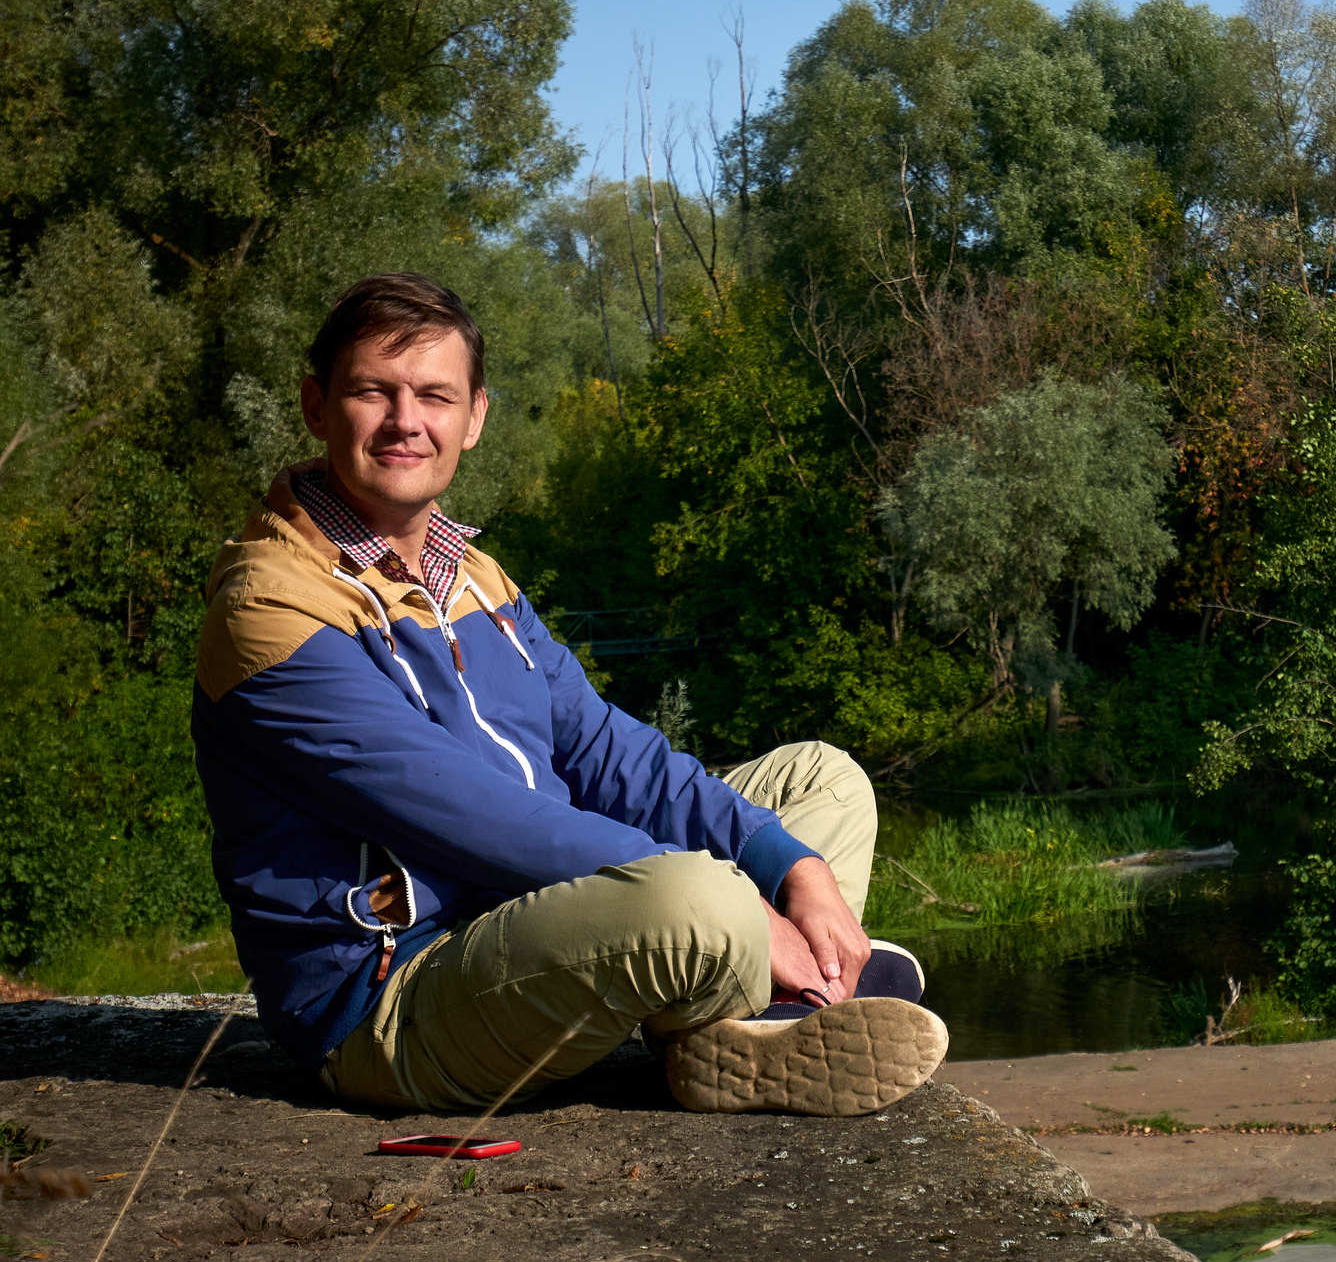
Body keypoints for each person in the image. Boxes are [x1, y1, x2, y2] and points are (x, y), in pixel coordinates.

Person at [190, 273, 946, 1116]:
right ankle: (752, 996)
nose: (408, 422)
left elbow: (605, 752)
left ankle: (742, 1028)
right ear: (316, 405)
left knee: (820, 781)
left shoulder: (474, 577)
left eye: (435, 396)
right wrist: (733, 900)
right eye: (375, 391)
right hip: (397, 995)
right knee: (700, 896)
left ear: (474, 417)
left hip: (541, 921)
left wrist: (790, 869)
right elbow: (475, 818)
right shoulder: (270, 609)